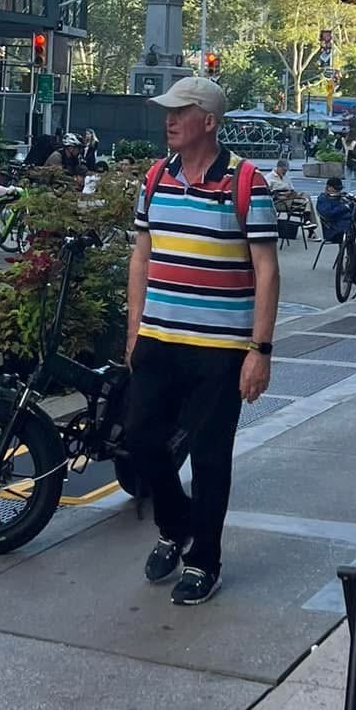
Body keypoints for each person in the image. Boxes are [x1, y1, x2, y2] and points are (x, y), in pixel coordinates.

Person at [125, 76, 279, 607]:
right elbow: (141, 257)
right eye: (167, 112)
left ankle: (204, 559)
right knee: (140, 439)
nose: (168, 121)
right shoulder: (154, 177)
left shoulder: (246, 182)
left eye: (180, 112)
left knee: (211, 457)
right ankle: (176, 524)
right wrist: (134, 331)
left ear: (208, 122)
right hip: (159, 340)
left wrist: (259, 351)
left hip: (220, 349)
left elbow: (266, 268)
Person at [316, 174, 355, 242]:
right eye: (336, 189)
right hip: (334, 230)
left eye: (339, 189)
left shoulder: (342, 198)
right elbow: (328, 214)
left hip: (347, 225)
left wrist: (352, 202)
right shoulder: (323, 199)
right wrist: (345, 207)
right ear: (329, 187)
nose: (338, 191)